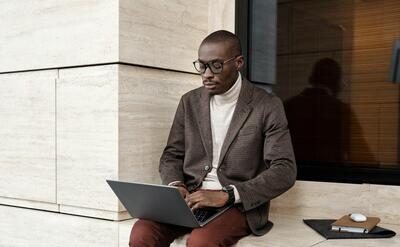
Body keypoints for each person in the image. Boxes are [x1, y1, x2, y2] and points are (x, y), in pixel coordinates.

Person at [129, 30, 296, 247]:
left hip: (236, 205)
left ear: (238, 62)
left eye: (216, 65)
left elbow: (284, 170)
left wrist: (228, 194)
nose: (206, 74)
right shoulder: (189, 102)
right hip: (189, 199)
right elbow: (172, 155)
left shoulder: (267, 105)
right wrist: (176, 184)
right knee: (142, 234)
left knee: (201, 243)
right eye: (202, 65)